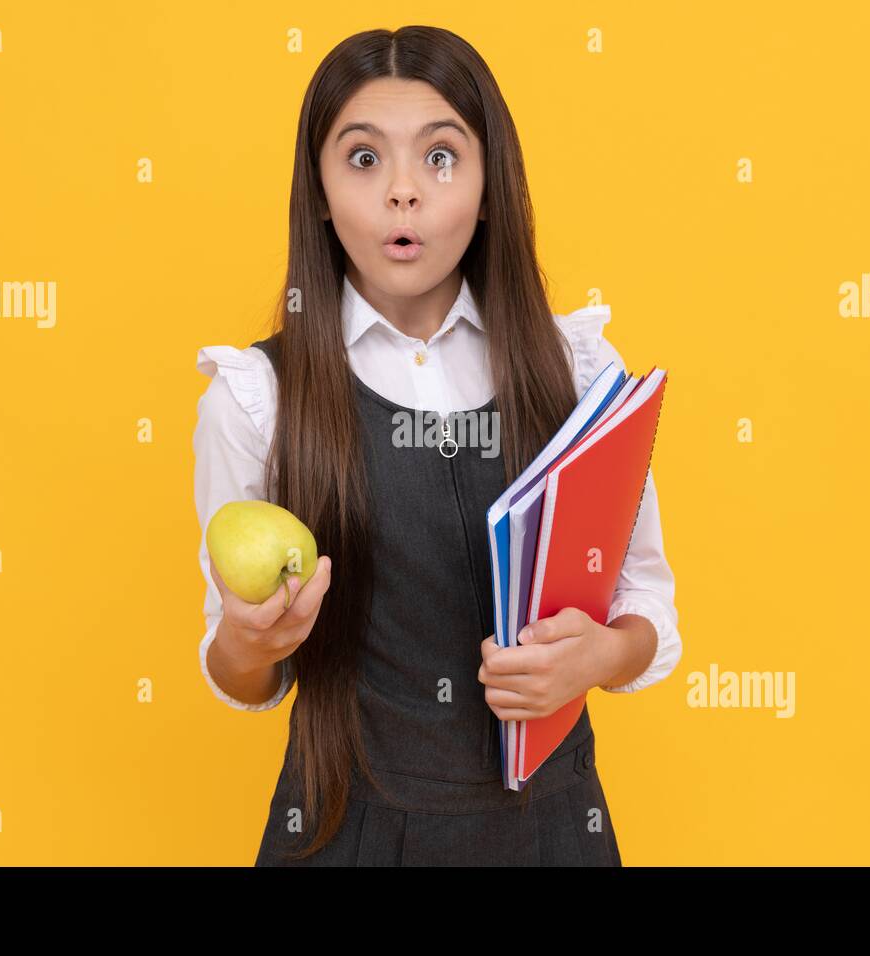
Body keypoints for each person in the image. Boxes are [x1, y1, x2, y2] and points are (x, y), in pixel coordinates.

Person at [193, 25, 682, 866]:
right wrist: (252, 642)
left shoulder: (581, 372)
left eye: (442, 157)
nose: (403, 194)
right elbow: (241, 674)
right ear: (318, 191)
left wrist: (601, 655)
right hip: (348, 830)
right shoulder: (256, 397)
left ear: (491, 188)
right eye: (363, 159)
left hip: (553, 831)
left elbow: (647, 603)